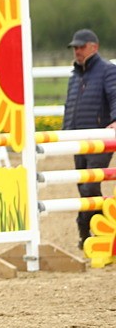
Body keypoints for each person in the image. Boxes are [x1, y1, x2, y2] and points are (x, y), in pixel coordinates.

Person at [61, 28, 116, 248]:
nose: (77, 51)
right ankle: (88, 236)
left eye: (81, 46)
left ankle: (91, 228)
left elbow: (115, 95)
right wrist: (65, 133)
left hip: (101, 138)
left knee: (89, 187)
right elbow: (70, 106)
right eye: (75, 47)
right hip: (79, 139)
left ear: (94, 46)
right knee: (83, 186)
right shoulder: (75, 76)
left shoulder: (107, 71)